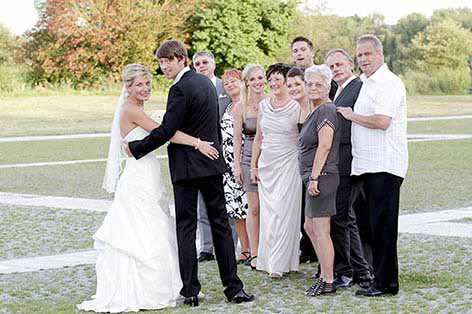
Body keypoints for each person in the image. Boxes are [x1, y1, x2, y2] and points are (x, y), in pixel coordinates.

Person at [77, 64, 219, 312]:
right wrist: (198, 143)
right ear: (128, 87)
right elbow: (166, 133)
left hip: (148, 172)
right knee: (142, 227)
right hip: (138, 177)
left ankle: (170, 282)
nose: (145, 89)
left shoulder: (139, 108)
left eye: (147, 84)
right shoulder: (131, 109)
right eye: (139, 85)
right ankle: (143, 287)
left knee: (156, 224)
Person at [125, 40, 254, 306]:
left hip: (187, 168)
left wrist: (137, 147)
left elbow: (168, 130)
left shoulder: (180, 89)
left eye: (169, 60)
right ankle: (233, 288)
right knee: (220, 227)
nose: (165, 66)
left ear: (182, 59)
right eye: (161, 62)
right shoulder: (205, 83)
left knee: (186, 227)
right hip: (211, 163)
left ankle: (191, 290)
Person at [337, 34, 408, 297]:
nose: (363, 59)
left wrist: (351, 116)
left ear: (380, 55)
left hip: (384, 165)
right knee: (370, 227)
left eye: (368, 54)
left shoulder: (387, 83)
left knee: (383, 226)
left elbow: (382, 121)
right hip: (366, 165)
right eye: (360, 55)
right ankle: (376, 277)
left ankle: (387, 283)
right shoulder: (365, 83)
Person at [325, 48, 372, 289]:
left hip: (348, 160)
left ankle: (353, 271)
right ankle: (355, 269)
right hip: (339, 160)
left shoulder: (358, 87)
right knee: (342, 217)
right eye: (332, 66)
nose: (336, 69)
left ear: (349, 65)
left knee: (342, 218)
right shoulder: (339, 90)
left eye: (339, 64)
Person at [251, 63, 302, 278]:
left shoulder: (297, 106)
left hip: (289, 162)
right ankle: (268, 258)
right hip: (267, 164)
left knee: (284, 211)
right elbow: (258, 137)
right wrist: (254, 164)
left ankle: (280, 262)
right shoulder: (263, 106)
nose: (272, 83)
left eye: (277, 80)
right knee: (269, 213)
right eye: (269, 79)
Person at [300, 65, 340, 296]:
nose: (313, 88)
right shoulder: (315, 109)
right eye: (310, 84)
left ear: (327, 86)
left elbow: (325, 145)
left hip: (322, 177)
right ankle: (324, 274)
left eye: (318, 84)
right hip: (312, 178)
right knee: (309, 226)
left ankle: (328, 280)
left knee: (321, 229)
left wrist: (314, 176)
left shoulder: (326, 110)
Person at [193, 51, 233, 262]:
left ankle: (229, 245)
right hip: (201, 151)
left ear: (214, 64)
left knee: (226, 199)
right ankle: (207, 247)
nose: (202, 66)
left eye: (205, 62)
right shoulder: (193, 88)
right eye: (197, 63)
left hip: (225, 150)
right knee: (202, 203)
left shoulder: (224, 87)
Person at [233, 64, 267, 270]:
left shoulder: (271, 102)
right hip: (247, 160)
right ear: (246, 83)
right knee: (254, 208)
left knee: (270, 208)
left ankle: (270, 250)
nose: (257, 83)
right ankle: (254, 253)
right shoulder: (240, 106)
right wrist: (237, 165)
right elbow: (237, 138)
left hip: (270, 160)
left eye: (260, 78)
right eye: (252, 79)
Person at [220, 69, 251, 264]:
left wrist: (240, 164)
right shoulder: (228, 107)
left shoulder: (248, 105)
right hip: (228, 163)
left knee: (249, 205)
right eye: (226, 83)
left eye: (233, 81)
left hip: (243, 160)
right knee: (236, 208)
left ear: (242, 83)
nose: (230, 85)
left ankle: (256, 247)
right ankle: (245, 249)